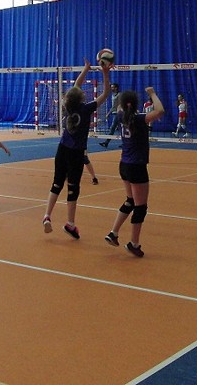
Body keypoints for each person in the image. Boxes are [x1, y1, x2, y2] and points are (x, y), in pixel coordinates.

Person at [42, 54, 112, 238]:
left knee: (57, 183)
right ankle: (70, 224)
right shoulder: (86, 109)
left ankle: (47, 215)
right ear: (82, 97)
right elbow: (106, 94)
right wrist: (105, 73)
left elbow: (75, 86)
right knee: (73, 188)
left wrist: (86, 69)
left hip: (62, 149)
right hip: (76, 153)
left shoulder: (67, 105)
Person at [104, 86, 165, 257]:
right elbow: (160, 111)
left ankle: (113, 233)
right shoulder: (139, 119)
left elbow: (120, 106)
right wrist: (152, 93)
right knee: (141, 207)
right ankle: (134, 243)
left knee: (130, 200)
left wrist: (125, 101)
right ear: (135, 104)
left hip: (124, 165)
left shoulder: (120, 116)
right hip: (137, 166)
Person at [99, 83, 120, 147]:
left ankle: (106, 142)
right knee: (118, 128)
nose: (111, 88)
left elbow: (115, 106)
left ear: (116, 88)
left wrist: (108, 113)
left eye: (113, 87)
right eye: (111, 87)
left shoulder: (119, 95)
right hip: (115, 113)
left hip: (118, 113)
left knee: (113, 128)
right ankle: (106, 142)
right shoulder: (113, 95)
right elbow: (113, 106)